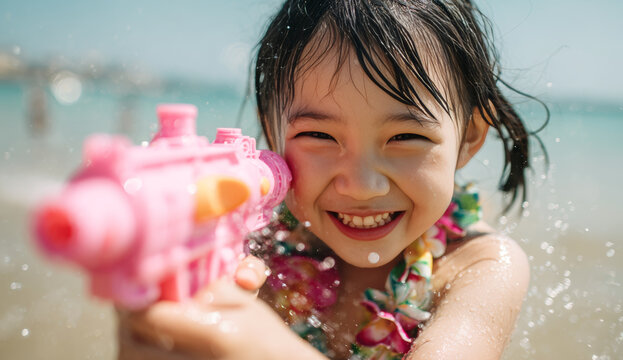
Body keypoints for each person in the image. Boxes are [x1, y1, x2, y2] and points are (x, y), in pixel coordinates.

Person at [118, 0, 542, 359]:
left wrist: (259, 343)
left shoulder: (480, 268)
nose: (361, 185)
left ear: (469, 136)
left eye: (406, 136)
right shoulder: (254, 249)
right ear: (271, 129)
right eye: (319, 135)